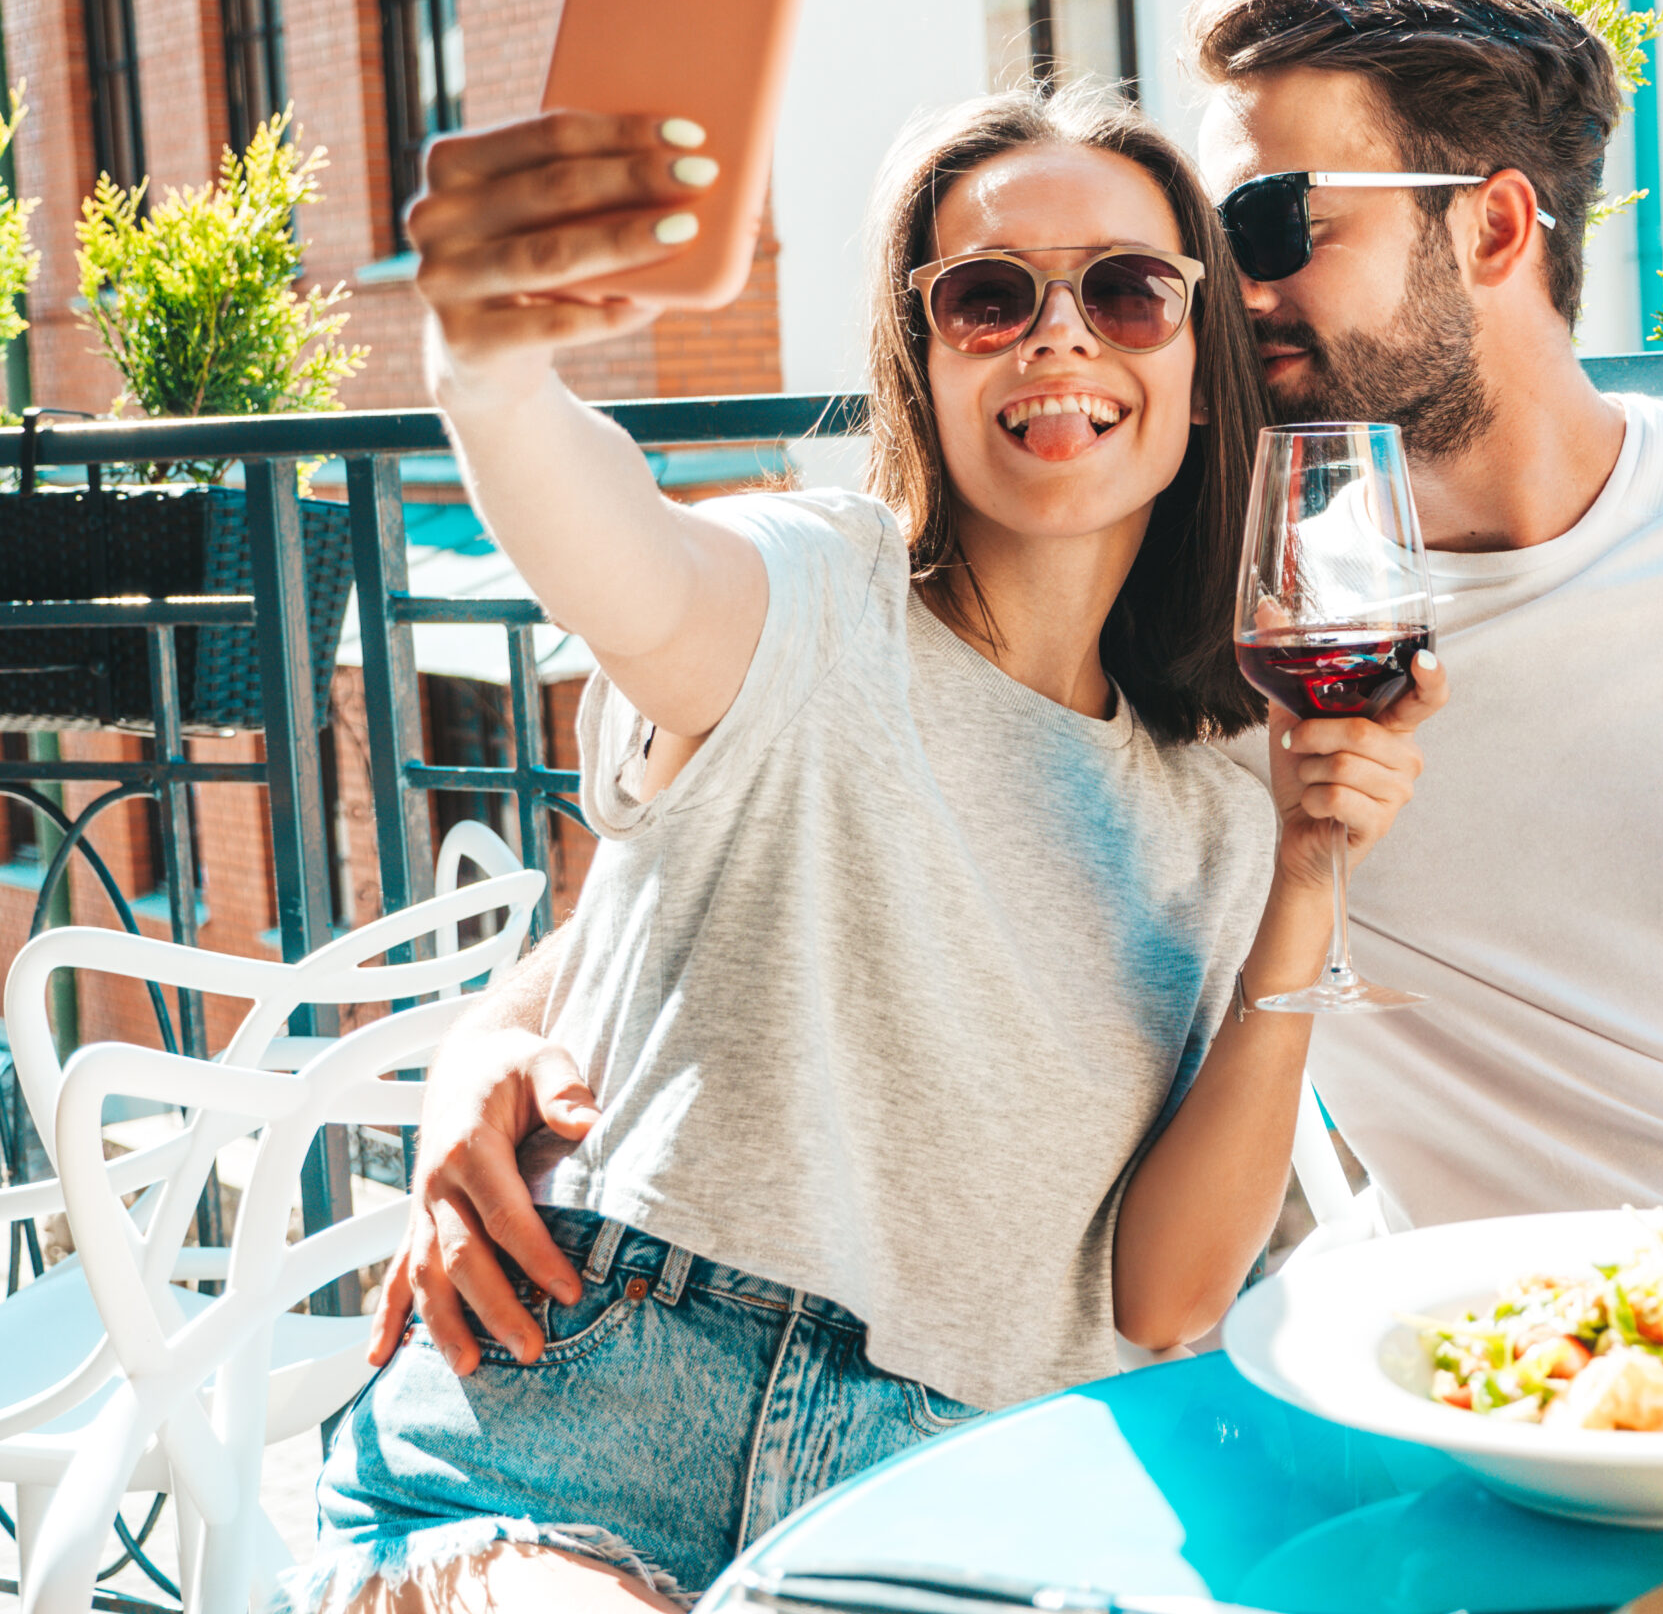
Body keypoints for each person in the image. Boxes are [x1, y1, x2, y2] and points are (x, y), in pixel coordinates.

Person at [378, 0, 1663, 1384]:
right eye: (1213, 245)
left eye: (1269, 229)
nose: (1225, 291)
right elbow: (780, 795)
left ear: (1491, 228)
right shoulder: (1254, 623)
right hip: (1494, 1373)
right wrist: (494, 1047)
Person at [285, 85, 1443, 1613]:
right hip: (570, 1423)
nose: (1061, 336)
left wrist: (1309, 874)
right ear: (926, 360)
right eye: (988, 297)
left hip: (952, 1491)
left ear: (1202, 371)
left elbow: (1165, 1297)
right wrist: (488, 371)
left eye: (1127, 290)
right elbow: (624, 558)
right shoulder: (812, 592)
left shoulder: (1225, 795)